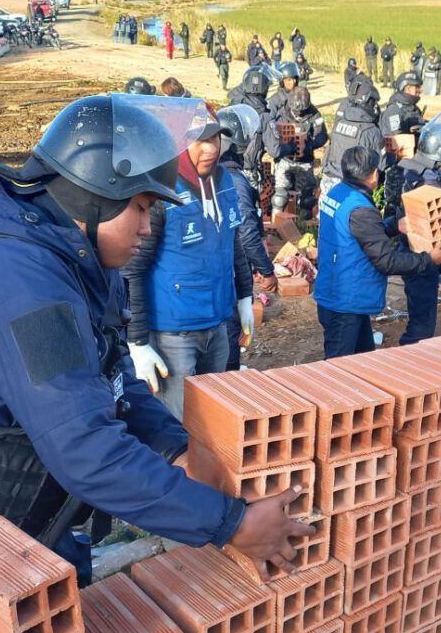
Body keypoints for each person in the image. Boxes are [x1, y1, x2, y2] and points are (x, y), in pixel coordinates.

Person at [0, 95, 313, 633]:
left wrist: (173, 448)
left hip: (25, 523)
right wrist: (231, 523)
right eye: (139, 207)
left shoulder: (78, 261)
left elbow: (112, 380)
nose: (149, 226)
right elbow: (86, 449)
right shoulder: (18, 283)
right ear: (89, 197)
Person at [123, 103, 254, 419]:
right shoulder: (161, 192)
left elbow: (232, 241)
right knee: (178, 420)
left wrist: (245, 296)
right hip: (174, 334)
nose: (210, 148)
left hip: (218, 325)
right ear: (180, 143)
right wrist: (138, 342)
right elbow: (133, 270)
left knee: (215, 417)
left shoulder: (224, 181)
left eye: (215, 139)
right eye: (199, 140)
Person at [316, 147, 441, 358]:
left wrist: (395, 225)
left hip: (336, 292)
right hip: (346, 302)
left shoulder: (337, 193)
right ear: (375, 174)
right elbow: (387, 261)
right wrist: (428, 259)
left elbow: (358, 234)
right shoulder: (361, 209)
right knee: (337, 372)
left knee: (365, 361)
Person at [217, 104, 278, 369]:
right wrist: (266, 270)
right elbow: (247, 235)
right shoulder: (235, 182)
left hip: (218, 276)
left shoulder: (211, 178)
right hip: (228, 278)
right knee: (229, 345)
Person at [394, 115, 441, 342]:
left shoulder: (409, 169)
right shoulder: (431, 183)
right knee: (422, 323)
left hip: (409, 250)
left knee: (419, 312)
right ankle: (410, 360)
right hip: (424, 257)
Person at [264, 87, 328, 220]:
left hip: (305, 161)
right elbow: (272, 134)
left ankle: (304, 226)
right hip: (285, 161)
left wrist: (309, 144)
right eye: (296, 110)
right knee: (280, 197)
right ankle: (277, 224)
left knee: (307, 199)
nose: (298, 113)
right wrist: (285, 145)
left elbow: (322, 136)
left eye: (302, 111)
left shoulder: (314, 114)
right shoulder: (281, 112)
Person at [321, 75, 384, 197]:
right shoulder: (371, 131)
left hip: (328, 183)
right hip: (352, 190)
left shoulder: (340, 122)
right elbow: (381, 165)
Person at [380, 71, 426, 214]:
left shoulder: (414, 108)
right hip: (397, 165)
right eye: (416, 88)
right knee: (394, 203)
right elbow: (396, 138)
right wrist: (411, 133)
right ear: (405, 87)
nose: (419, 91)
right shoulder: (395, 109)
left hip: (414, 162)